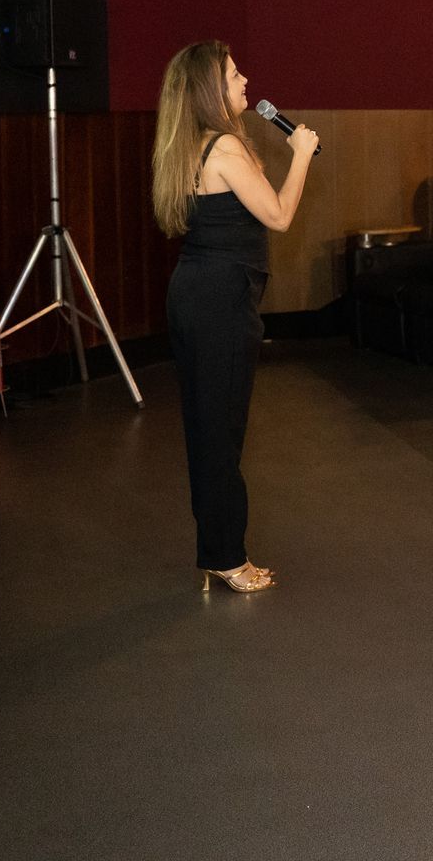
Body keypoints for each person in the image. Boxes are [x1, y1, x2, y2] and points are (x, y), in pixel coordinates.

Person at [151, 41, 318, 594]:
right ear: (211, 91)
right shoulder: (224, 148)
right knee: (220, 432)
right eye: (234, 74)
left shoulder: (197, 144)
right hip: (218, 301)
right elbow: (279, 215)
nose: (246, 80)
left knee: (209, 429)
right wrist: (300, 154)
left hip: (199, 293)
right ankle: (227, 556)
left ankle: (216, 552)